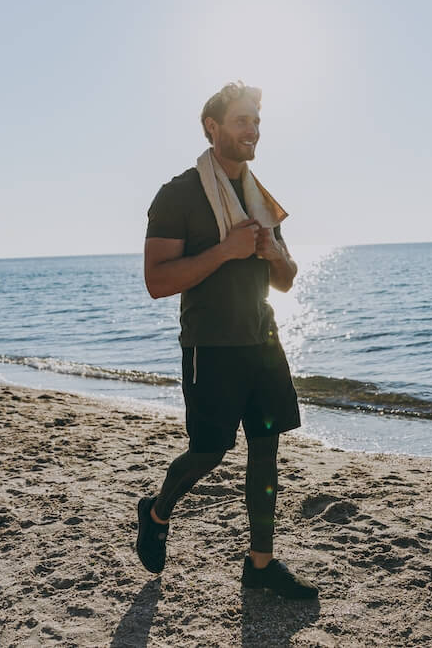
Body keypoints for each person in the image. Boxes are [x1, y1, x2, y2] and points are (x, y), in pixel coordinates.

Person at [136, 81, 318, 599]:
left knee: (266, 450)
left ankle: (260, 564)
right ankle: (155, 511)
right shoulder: (178, 194)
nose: (252, 129)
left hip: (262, 340)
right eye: (241, 120)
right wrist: (226, 249)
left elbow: (285, 279)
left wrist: (272, 255)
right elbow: (156, 281)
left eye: (256, 121)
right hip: (210, 348)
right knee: (209, 450)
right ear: (212, 127)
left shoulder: (259, 196)